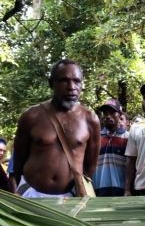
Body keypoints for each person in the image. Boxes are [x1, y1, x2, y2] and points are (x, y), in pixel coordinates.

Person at [14, 59, 101, 198]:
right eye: (64, 81)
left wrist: (80, 190)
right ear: (51, 83)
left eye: (76, 81)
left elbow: (90, 166)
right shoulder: (31, 116)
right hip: (31, 193)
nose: (71, 87)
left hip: (71, 196)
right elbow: (18, 161)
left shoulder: (90, 119)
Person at [92, 99, 129, 196]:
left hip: (121, 192)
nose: (108, 116)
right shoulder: (95, 138)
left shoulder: (128, 138)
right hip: (97, 191)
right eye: (105, 113)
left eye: (112, 113)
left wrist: (128, 189)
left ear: (120, 115)